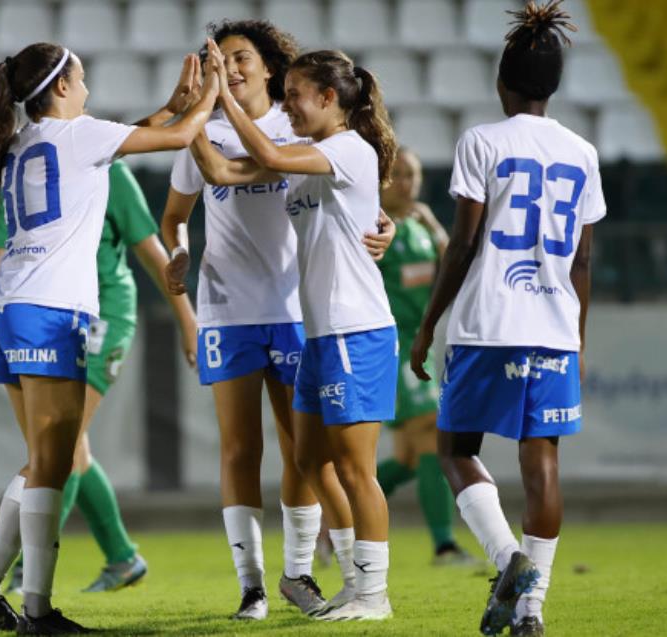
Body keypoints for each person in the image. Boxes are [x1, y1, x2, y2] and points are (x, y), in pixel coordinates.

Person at [0, 43, 219, 634]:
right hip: (50, 312)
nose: (89, 87)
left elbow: (112, 141)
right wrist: (210, 96)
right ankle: (35, 609)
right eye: (83, 77)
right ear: (64, 87)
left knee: (44, 461)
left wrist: (168, 109)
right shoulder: (81, 137)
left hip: (7, 311)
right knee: (53, 464)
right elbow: (179, 140)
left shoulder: (26, 141)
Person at [162, 20, 394, 620]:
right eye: (224, 59)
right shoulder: (227, 133)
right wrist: (180, 246)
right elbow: (198, 194)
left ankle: (319, 575)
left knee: (312, 456)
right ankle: (256, 586)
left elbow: (325, 178)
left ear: (271, 69)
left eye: (243, 58)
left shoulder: (295, 135)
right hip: (231, 309)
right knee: (256, 451)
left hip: (306, 314)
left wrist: (384, 224)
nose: (233, 68)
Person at [409, 3, 603, 635]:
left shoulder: (481, 141)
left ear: (502, 80)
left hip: (487, 323)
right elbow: (582, 259)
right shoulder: (582, 152)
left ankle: (505, 557)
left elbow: (462, 245)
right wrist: (574, 336)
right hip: (552, 326)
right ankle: (532, 612)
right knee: (540, 461)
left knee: (455, 447)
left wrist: (428, 323)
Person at [0, 159, 197, 597]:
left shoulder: (108, 171)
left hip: (104, 314)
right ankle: (122, 556)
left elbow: (152, 251)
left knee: (61, 445)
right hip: (56, 318)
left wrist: (187, 320)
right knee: (70, 448)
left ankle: (22, 570)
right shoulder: (28, 173)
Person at [375, 148, 475, 565]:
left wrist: (433, 222)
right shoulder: (375, 224)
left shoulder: (419, 225)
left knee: (409, 456)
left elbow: (455, 261)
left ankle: (333, 515)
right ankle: (444, 544)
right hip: (390, 344)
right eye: (397, 173)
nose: (406, 181)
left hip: (420, 344)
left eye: (412, 174)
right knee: (434, 434)